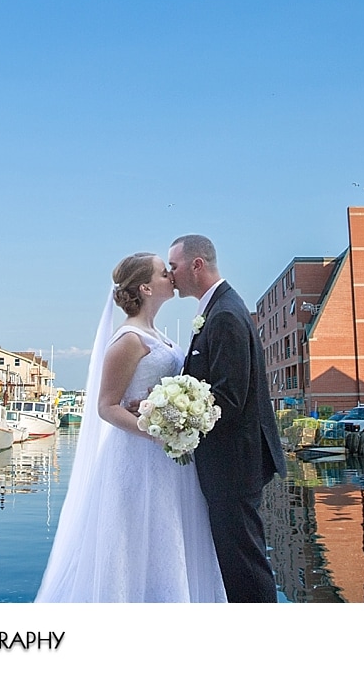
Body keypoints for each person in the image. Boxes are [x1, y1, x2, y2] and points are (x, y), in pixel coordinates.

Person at [35, 252, 227, 602]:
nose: (170, 274)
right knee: (138, 542)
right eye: (161, 271)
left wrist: (177, 416)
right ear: (145, 287)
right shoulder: (128, 340)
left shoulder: (158, 335)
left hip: (171, 459)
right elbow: (106, 407)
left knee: (170, 538)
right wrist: (156, 429)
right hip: (139, 459)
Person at [167, 234, 286, 603]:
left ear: (197, 265)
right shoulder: (220, 309)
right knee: (238, 559)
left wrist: (171, 415)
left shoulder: (226, 316)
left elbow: (228, 398)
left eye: (174, 266)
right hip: (233, 460)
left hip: (234, 462)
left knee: (244, 563)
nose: (171, 274)